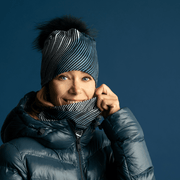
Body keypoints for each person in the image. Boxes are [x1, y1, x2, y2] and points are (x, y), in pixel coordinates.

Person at [0, 15, 155, 180]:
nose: (76, 90)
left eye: (86, 78)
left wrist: (121, 128)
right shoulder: (16, 155)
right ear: (48, 85)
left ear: (95, 86)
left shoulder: (108, 144)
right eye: (63, 77)